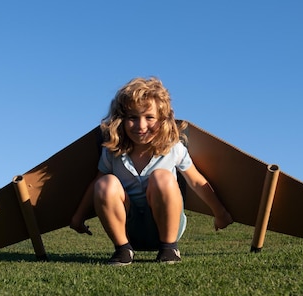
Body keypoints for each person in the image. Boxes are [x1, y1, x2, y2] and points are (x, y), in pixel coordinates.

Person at [71, 77, 233, 265]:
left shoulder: (173, 148)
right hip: (128, 229)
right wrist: (78, 217)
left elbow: (196, 181)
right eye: (132, 118)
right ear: (121, 120)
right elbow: (96, 186)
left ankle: (170, 249)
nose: (141, 126)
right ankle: (123, 251)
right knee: (105, 183)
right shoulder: (112, 151)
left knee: (161, 177)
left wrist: (220, 213)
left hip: (166, 226)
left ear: (163, 119)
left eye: (149, 117)